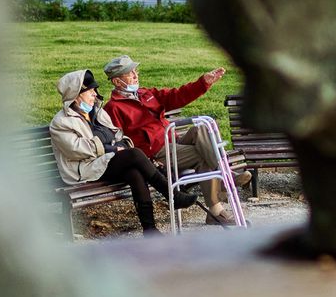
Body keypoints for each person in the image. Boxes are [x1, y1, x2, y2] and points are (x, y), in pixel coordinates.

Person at [102, 55, 250, 226]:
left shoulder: (145, 93)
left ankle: (224, 177)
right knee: (202, 154)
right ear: (117, 81)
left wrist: (203, 83)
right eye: (130, 73)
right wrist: (148, 162)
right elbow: (119, 142)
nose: (136, 74)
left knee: (201, 128)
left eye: (135, 70)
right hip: (158, 154)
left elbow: (177, 96)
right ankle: (219, 201)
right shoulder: (113, 108)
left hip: (173, 141)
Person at [49, 68, 197, 234]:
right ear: (76, 95)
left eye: (94, 91)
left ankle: (150, 230)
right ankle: (173, 196)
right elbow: (76, 150)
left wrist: (119, 146)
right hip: (84, 169)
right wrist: (111, 148)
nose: (95, 95)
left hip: (105, 162)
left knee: (134, 172)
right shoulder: (61, 122)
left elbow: (117, 134)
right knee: (133, 154)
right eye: (90, 91)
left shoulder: (97, 112)